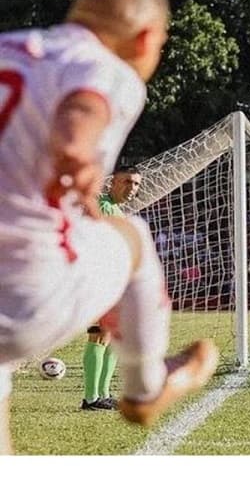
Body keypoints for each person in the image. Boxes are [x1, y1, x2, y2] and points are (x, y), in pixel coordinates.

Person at [0, 0, 218, 453]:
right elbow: (83, 111)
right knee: (131, 235)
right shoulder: (105, 66)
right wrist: (75, 155)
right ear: (146, 39)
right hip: (24, 295)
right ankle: (146, 386)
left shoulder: (12, 46)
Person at [79, 166, 143, 411]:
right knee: (98, 334)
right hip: (98, 280)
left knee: (111, 336)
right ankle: (91, 398)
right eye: (127, 181)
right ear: (112, 184)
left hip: (113, 281)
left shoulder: (116, 210)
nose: (132, 188)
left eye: (136, 184)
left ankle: (102, 394)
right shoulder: (104, 206)